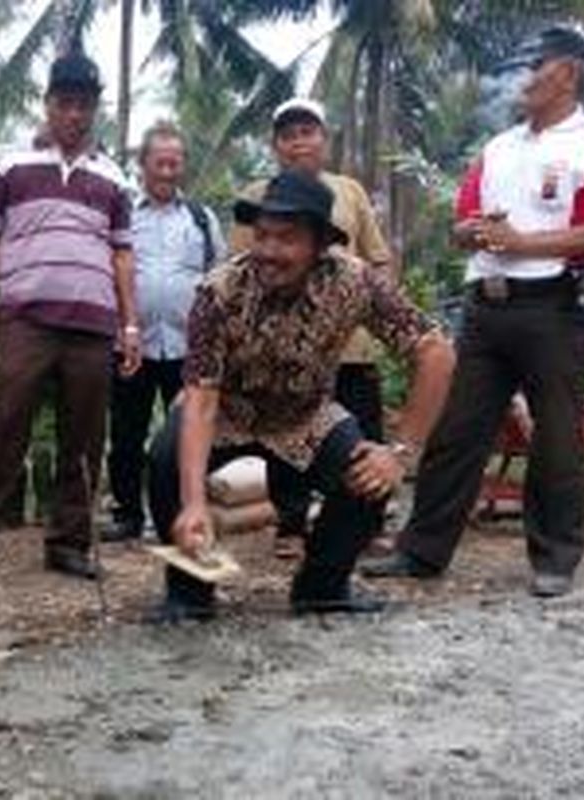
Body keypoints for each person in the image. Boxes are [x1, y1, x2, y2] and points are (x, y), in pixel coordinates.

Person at [361, 28, 584, 598]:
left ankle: (556, 558)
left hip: (557, 306)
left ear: (568, 72)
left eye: (533, 65)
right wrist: (472, 231)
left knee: (558, 435)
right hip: (486, 308)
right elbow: (464, 224)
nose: (523, 78)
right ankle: (421, 550)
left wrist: (521, 243)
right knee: (458, 429)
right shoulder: (499, 147)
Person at [148, 170, 455, 622]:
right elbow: (201, 399)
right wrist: (194, 501)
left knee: (368, 473)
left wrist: (401, 452)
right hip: (226, 412)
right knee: (165, 458)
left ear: (319, 244)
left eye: (287, 238)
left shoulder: (356, 282)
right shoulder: (218, 292)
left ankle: (321, 588)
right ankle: (191, 593)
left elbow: (436, 354)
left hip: (304, 417)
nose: (270, 251)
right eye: (263, 236)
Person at [0, 51, 140, 591]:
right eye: (65, 103)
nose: (74, 114)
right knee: (3, 426)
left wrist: (131, 324)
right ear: (48, 104)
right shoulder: (7, 166)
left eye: (84, 105)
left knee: (85, 436)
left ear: (95, 109)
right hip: (25, 317)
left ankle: (69, 543)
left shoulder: (114, 177)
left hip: (94, 324)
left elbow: (121, 255)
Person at [231, 98, 394, 557]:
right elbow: (241, 270)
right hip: (284, 347)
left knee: (362, 429)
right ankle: (291, 524)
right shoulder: (254, 194)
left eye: (308, 131)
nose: (299, 141)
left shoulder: (350, 192)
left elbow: (378, 259)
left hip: (351, 344)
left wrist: (373, 313)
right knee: (286, 431)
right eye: (288, 134)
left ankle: (369, 521)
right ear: (276, 145)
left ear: (324, 138)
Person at [103, 121, 225, 542]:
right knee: (127, 433)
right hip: (131, 343)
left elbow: (218, 279)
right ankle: (127, 514)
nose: (169, 171)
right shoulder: (121, 213)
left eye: (176, 163)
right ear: (143, 165)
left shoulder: (202, 219)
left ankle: (183, 511)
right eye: (160, 163)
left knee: (188, 430)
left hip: (188, 347)